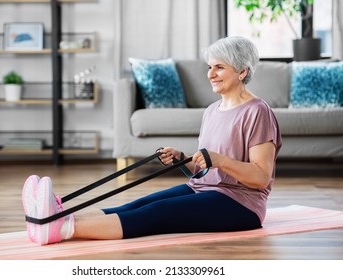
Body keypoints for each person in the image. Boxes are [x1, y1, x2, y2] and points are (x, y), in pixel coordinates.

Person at [22, 36, 282, 246]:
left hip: (240, 204)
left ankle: (60, 230)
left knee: (155, 214)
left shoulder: (257, 111)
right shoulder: (213, 110)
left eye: (220, 67)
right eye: (209, 67)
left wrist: (220, 160)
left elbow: (260, 177)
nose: (211, 74)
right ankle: (54, 216)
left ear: (242, 71)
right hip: (204, 189)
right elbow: (206, 171)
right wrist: (183, 159)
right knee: (138, 204)